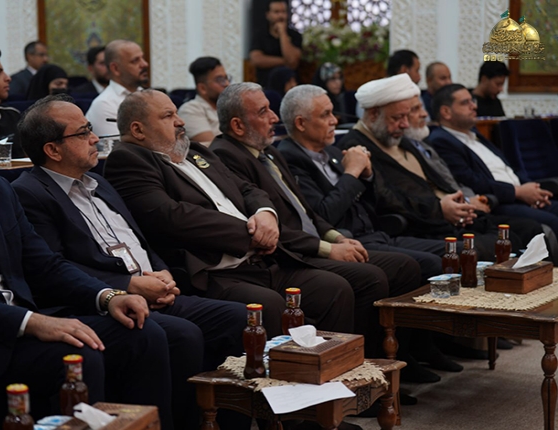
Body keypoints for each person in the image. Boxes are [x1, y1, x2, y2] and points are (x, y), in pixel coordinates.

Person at [0, 82, 173, 429]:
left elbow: (44, 264)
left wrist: (107, 296)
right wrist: (31, 322)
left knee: (142, 334)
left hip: (24, 326)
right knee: (78, 357)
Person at [11, 94, 244, 428]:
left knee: (236, 318)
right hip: (105, 300)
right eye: (83, 133)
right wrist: (127, 286)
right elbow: (54, 267)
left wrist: (161, 271)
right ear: (53, 150)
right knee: (182, 334)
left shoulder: (99, 182)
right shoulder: (30, 193)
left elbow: (139, 240)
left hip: (151, 287)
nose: (95, 138)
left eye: (90, 129)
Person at [104, 89, 354, 337]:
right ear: (138, 130)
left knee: (333, 288)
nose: (180, 121)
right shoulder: (128, 160)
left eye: (177, 114)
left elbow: (247, 188)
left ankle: (330, 360)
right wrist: (251, 235)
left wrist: (265, 213)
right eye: (168, 116)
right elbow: (172, 216)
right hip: (215, 272)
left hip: (261, 262)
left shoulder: (196, 152)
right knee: (268, 305)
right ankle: (285, 364)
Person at [210, 82, 421, 358]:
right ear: (238, 126)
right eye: (263, 112)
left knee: (404, 266)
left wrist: (336, 237)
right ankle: (356, 362)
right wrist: (328, 249)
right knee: (365, 279)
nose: (274, 118)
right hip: (288, 253)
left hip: (314, 241)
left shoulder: (268, 151)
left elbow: (307, 211)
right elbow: (270, 226)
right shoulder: (226, 156)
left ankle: (397, 358)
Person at [336, 74, 543, 260]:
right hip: (418, 227)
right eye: (397, 118)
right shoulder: (356, 148)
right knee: (492, 244)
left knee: (524, 231)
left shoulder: (398, 139)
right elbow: (386, 198)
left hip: (448, 218)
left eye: (406, 116)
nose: (405, 125)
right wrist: (440, 209)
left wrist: (460, 203)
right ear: (373, 114)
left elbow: (436, 181)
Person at [277, 84, 445, 282]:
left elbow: (374, 205)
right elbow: (322, 215)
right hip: (347, 242)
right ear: (300, 123)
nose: (334, 120)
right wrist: (352, 172)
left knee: (456, 249)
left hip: (377, 234)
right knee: (431, 263)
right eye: (325, 114)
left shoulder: (331, 151)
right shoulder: (289, 159)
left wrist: (367, 176)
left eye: (332, 112)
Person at [429, 83, 558, 237]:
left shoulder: (474, 134)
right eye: (465, 103)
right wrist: (518, 192)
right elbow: (472, 181)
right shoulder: (441, 140)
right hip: (498, 202)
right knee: (552, 222)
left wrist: (532, 190)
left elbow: (508, 167)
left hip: (520, 194)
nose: (474, 106)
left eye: (472, 101)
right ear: (446, 112)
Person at [86, 40, 149, 138]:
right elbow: (118, 145)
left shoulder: (148, 96)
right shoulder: (104, 104)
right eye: (135, 61)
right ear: (115, 69)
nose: (144, 64)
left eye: (142, 58)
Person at [177, 56, 231, 145]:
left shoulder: (229, 107)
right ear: (202, 88)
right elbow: (215, 147)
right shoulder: (190, 110)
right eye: (220, 79)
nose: (227, 84)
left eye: (226, 78)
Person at [249, 0, 302, 86]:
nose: (281, 16)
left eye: (283, 12)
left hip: (290, 85)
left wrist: (282, 34)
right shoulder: (260, 35)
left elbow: (293, 61)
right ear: (268, 15)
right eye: (276, 12)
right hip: (266, 84)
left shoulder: (295, 36)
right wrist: (285, 61)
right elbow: (256, 60)